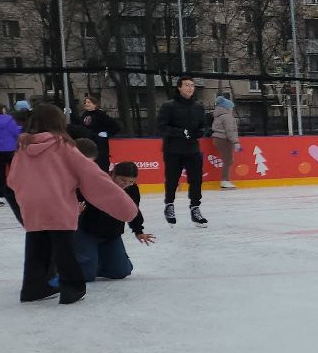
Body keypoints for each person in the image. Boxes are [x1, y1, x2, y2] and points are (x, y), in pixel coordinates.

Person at [6, 104, 138, 305]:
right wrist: (126, 209)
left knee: (36, 248)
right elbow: (93, 178)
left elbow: (12, 180)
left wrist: (29, 195)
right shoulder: (63, 147)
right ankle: (72, 289)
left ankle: (33, 289)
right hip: (58, 205)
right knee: (64, 249)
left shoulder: (22, 148)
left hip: (32, 207)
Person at [74, 161, 155, 282]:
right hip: (87, 233)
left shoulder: (132, 190)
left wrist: (138, 231)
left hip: (112, 235)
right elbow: (75, 200)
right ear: (113, 175)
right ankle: (83, 262)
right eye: (122, 180)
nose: (126, 184)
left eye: (130, 182)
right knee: (86, 276)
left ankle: (96, 260)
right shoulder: (97, 185)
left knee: (120, 272)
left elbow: (134, 211)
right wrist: (76, 209)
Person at [156, 75, 211, 227]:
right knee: (172, 179)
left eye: (192, 85)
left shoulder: (198, 106)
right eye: (187, 85)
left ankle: (195, 208)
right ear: (179, 87)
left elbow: (204, 126)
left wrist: (199, 133)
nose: (190, 88)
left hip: (192, 150)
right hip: (172, 150)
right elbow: (162, 127)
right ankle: (169, 205)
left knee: (196, 180)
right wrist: (182, 132)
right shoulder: (169, 106)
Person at [74, 94, 120, 171]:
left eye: (89, 102)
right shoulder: (84, 115)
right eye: (85, 102)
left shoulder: (100, 114)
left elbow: (116, 127)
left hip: (99, 145)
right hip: (87, 143)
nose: (86, 104)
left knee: (100, 165)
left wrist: (106, 133)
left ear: (95, 104)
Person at [209, 96, 240, 189]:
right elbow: (230, 130)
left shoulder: (219, 116)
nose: (232, 109)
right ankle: (225, 180)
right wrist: (235, 142)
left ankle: (225, 180)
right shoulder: (227, 117)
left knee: (228, 160)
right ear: (227, 108)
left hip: (217, 139)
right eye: (231, 107)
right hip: (224, 140)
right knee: (228, 160)